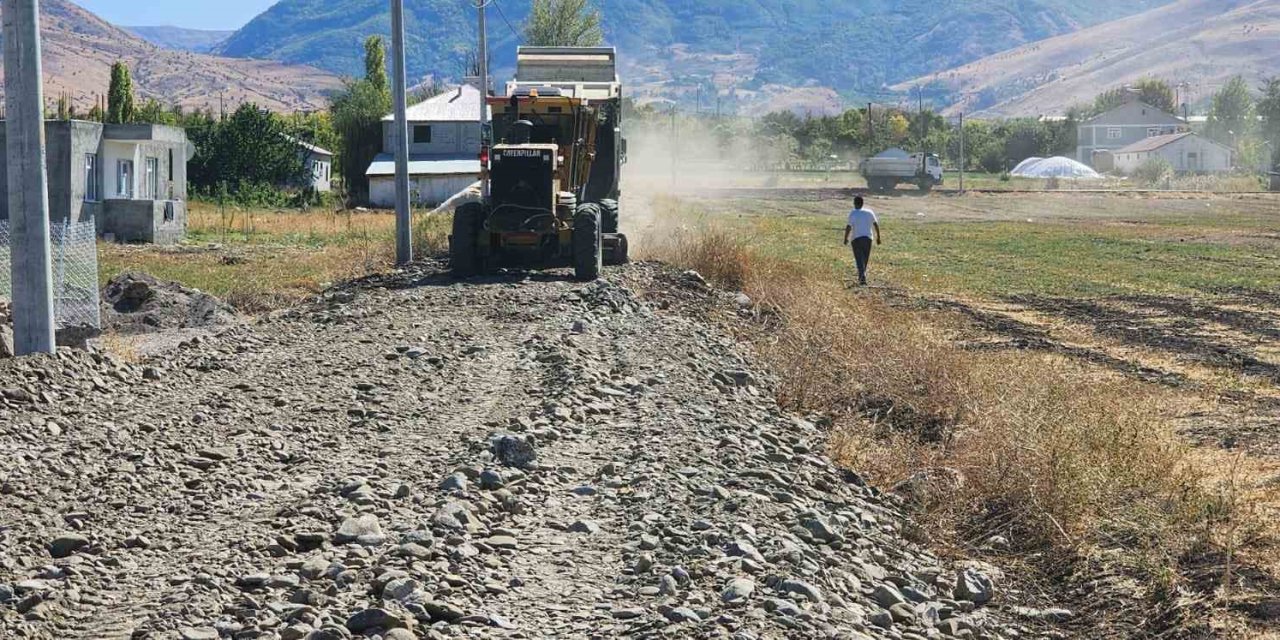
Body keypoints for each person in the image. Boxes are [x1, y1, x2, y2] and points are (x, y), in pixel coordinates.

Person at [842, 196, 881, 286]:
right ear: (862, 203)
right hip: (868, 239)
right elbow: (875, 225)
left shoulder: (853, 213)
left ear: (855, 203)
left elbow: (849, 227)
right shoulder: (869, 212)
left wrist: (845, 238)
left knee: (859, 259)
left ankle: (862, 277)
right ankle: (862, 275)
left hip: (856, 239)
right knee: (865, 259)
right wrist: (878, 237)